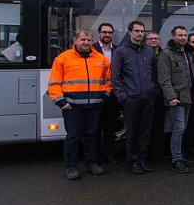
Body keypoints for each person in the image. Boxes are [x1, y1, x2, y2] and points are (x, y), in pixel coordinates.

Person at [48, 29, 111, 180]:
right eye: (83, 40)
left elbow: (108, 81)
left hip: (94, 105)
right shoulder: (63, 58)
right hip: (72, 106)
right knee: (73, 137)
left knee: (92, 136)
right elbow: (54, 82)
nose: (86, 43)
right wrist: (61, 102)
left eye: (89, 40)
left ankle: (92, 164)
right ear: (75, 40)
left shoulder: (101, 59)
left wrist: (106, 95)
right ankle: (71, 167)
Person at [111, 20, 157, 175]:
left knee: (145, 131)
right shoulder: (121, 51)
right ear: (130, 32)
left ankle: (143, 161)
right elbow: (115, 77)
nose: (139, 34)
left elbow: (154, 75)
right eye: (136, 31)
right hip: (131, 99)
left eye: (142, 31)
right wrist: (123, 97)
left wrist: (153, 91)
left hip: (148, 98)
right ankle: (133, 162)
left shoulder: (149, 52)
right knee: (132, 132)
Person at [159, 25, 194, 174]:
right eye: (180, 35)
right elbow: (164, 79)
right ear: (173, 36)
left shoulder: (187, 53)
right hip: (176, 98)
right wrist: (171, 97)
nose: (183, 38)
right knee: (178, 128)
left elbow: (193, 76)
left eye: (185, 35)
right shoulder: (166, 54)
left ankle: (181, 156)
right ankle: (176, 160)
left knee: (183, 128)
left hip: (188, 97)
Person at [93, 23, 120, 164]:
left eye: (109, 32)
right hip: (96, 94)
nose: (107, 35)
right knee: (94, 128)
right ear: (99, 34)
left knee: (111, 127)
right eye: (104, 32)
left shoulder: (118, 50)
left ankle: (109, 154)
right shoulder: (91, 49)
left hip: (113, 95)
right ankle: (95, 157)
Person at [144, 32, 168, 161]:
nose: (153, 41)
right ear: (146, 41)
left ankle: (158, 152)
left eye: (156, 38)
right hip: (146, 94)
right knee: (145, 125)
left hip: (161, 95)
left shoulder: (164, 54)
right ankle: (145, 153)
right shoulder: (141, 53)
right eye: (150, 39)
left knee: (159, 125)